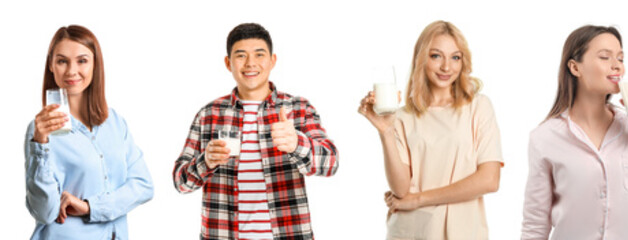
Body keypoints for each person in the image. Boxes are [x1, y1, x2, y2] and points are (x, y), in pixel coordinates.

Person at [171, 23, 339, 239]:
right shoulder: (209, 114)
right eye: (241, 55)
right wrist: (206, 161)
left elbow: (331, 164)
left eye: (259, 55)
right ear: (228, 63)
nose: (250, 63)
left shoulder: (298, 109)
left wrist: (297, 144)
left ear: (272, 61)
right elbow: (180, 182)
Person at [521, 24, 628, 240]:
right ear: (575, 68)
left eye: (620, 59)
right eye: (605, 57)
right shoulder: (544, 138)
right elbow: (536, 224)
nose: (617, 66)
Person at [358, 20, 504, 240]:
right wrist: (385, 132)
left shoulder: (478, 107)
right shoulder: (402, 117)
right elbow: (401, 190)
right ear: (421, 59)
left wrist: (418, 199)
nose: (447, 67)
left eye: (455, 57)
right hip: (412, 231)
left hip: (464, 232)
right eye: (436, 56)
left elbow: (489, 180)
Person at [26, 24, 154, 240]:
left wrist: (90, 207)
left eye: (82, 60)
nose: (71, 71)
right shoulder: (40, 130)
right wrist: (40, 144)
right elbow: (44, 211)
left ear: (95, 64)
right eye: (62, 61)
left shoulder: (115, 122)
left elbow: (143, 186)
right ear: (51, 66)